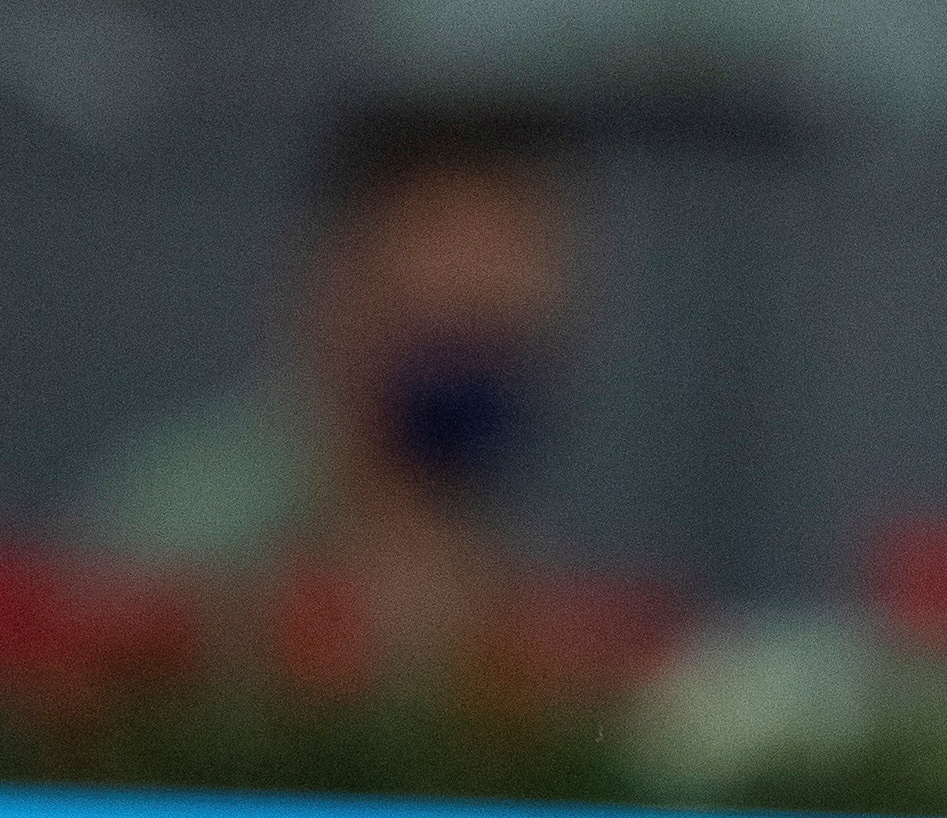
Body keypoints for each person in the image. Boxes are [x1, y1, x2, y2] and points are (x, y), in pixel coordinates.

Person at [67, 97, 578, 672]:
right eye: (447, 323)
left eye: (500, 324)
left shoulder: (510, 557)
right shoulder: (187, 521)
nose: (483, 292)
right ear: (337, 283)